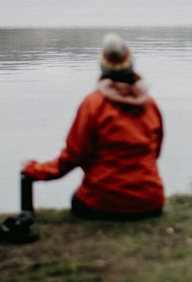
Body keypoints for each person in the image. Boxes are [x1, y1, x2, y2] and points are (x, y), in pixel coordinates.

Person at [21, 33, 165, 220]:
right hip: (150, 203)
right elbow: (155, 152)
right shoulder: (150, 105)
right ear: (131, 65)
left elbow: (73, 156)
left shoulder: (93, 104)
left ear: (103, 68)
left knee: (78, 199)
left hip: (102, 203)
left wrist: (35, 170)